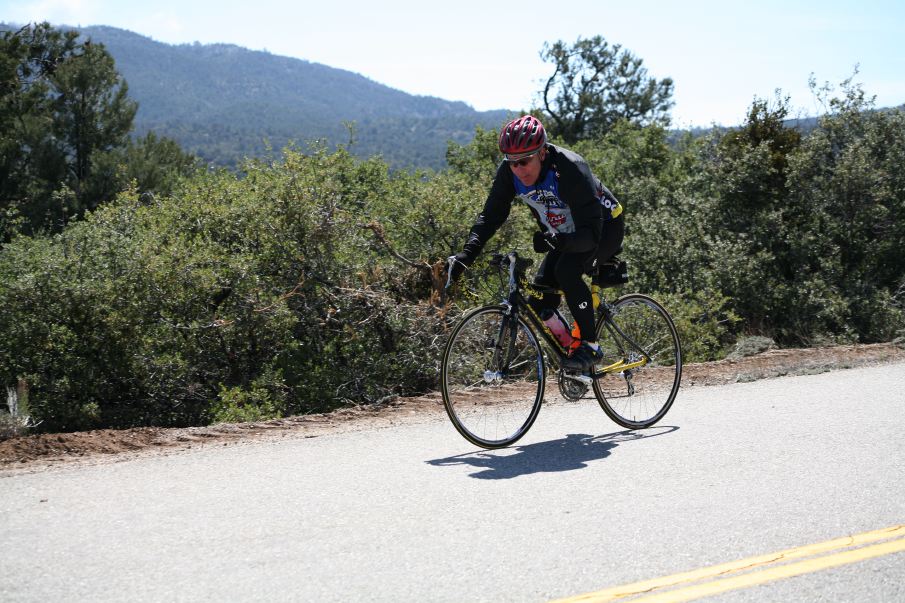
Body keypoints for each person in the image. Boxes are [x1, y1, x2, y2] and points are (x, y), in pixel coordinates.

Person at [448, 115, 625, 373]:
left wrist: (560, 240)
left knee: (567, 271)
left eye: (525, 161)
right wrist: (467, 255)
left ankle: (591, 346)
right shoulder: (510, 173)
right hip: (564, 234)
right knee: (539, 301)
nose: (519, 169)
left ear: (542, 152)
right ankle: (572, 354)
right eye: (512, 163)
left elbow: (590, 234)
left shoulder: (570, 168)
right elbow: (491, 215)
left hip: (603, 228)